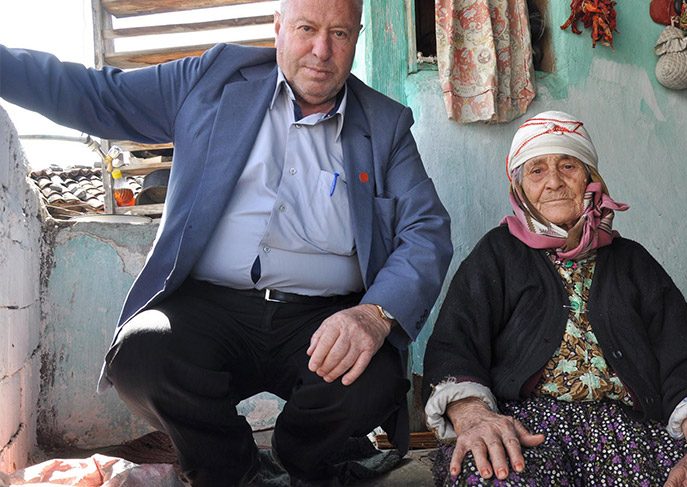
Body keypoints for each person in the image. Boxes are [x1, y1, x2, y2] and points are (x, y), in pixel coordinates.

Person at [1, 0, 452, 485]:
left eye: (339, 34)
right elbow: (97, 97)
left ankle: (300, 459)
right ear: (277, 28)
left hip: (322, 317)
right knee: (143, 355)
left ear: (357, 38)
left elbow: (425, 230)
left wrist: (373, 315)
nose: (322, 50)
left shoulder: (384, 125)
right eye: (306, 29)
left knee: (372, 379)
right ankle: (236, 473)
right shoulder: (214, 80)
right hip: (209, 306)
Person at [422, 111, 687, 486]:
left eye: (567, 165)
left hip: (635, 435)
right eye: (535, 171)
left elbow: (683, 357)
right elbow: (454, 345)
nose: (553, 181)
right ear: (518, 186)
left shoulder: (631, 261)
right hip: (533, 433)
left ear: (591, 179)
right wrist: (475, 419)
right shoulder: (497, 254)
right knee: (492, 471)